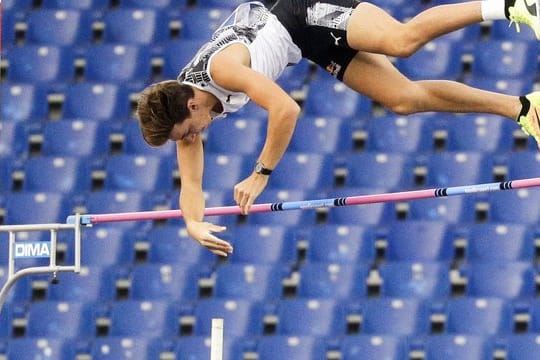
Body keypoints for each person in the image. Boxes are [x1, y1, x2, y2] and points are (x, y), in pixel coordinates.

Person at [137, 0, 540, 256]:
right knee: (403, 99)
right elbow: (191, 187)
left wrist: (261, 174)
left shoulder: (222, 71)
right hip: (303, 41)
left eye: (187, 132)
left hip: (300, 9)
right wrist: (192, 223)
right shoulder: (184, 108)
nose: (192, 139)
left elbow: (285, 109)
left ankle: (513, 5)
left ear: (191, 105)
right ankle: (522, 108)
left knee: (401, 40)